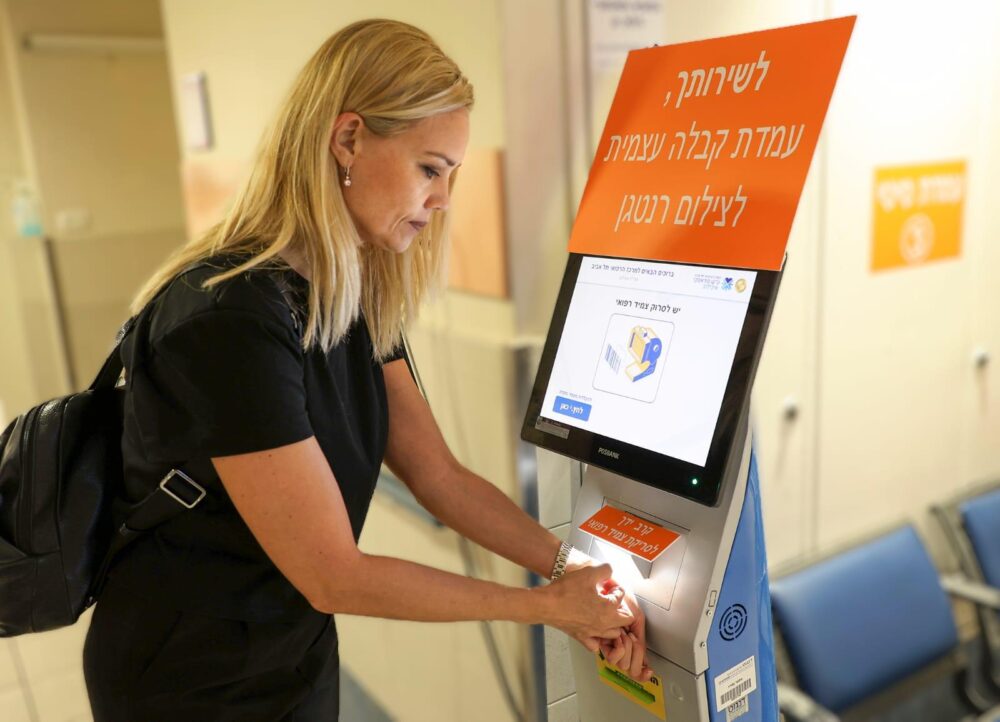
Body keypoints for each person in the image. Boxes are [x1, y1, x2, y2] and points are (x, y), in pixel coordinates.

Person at [83, 18, 651, 721]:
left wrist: (571, 570)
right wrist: (544, 607)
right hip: (189, 677)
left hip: (292, 649)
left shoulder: (349, 294)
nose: (442, 201)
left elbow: (437, 475)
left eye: (452, 176)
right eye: (429, 169)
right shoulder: (227, 320)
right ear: (348, 139)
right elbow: (334, 574)